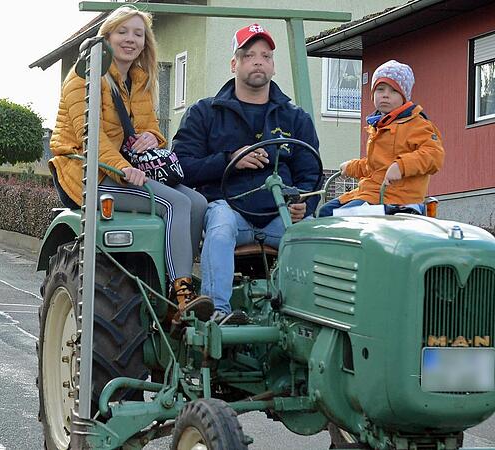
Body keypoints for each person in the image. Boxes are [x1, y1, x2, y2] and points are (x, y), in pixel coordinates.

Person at [49, 6, 213, 323]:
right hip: (89, 174)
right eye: (122, 32)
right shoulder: (83, 77)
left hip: (126, 168)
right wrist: (123, 168)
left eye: (138, 34)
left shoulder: (138, 79)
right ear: (106, 37)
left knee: (197, 202)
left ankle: (170, 283)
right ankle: (181, 294)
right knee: (176, 202)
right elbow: (91, 140)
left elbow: (150, 128)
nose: (130, 39)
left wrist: (153, 138)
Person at [173, 23, 321, 324]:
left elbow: (311, 175)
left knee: (315, 237)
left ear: (273, 66)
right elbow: (181, 167)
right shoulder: (205, 113)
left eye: (266, 56)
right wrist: (230, 160)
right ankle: (218, 313)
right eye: (249, 55)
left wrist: (305, 205)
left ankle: (304, 319)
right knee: (220, 226)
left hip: (280, 217)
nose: (258, 61)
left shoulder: (295, 118)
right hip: (230, 211)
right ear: (234, 64)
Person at [318, 60, 444, 217]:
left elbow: (434, 155)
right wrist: (351, 167)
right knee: (325, 212)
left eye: (393, 91)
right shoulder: (379, 125)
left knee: (341, 218)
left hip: (397, 199)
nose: (385, 95)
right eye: (380, 89)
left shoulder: (417, 124)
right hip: (372, 193)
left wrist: (402, 166)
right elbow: (376, 166)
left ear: (404, 96)